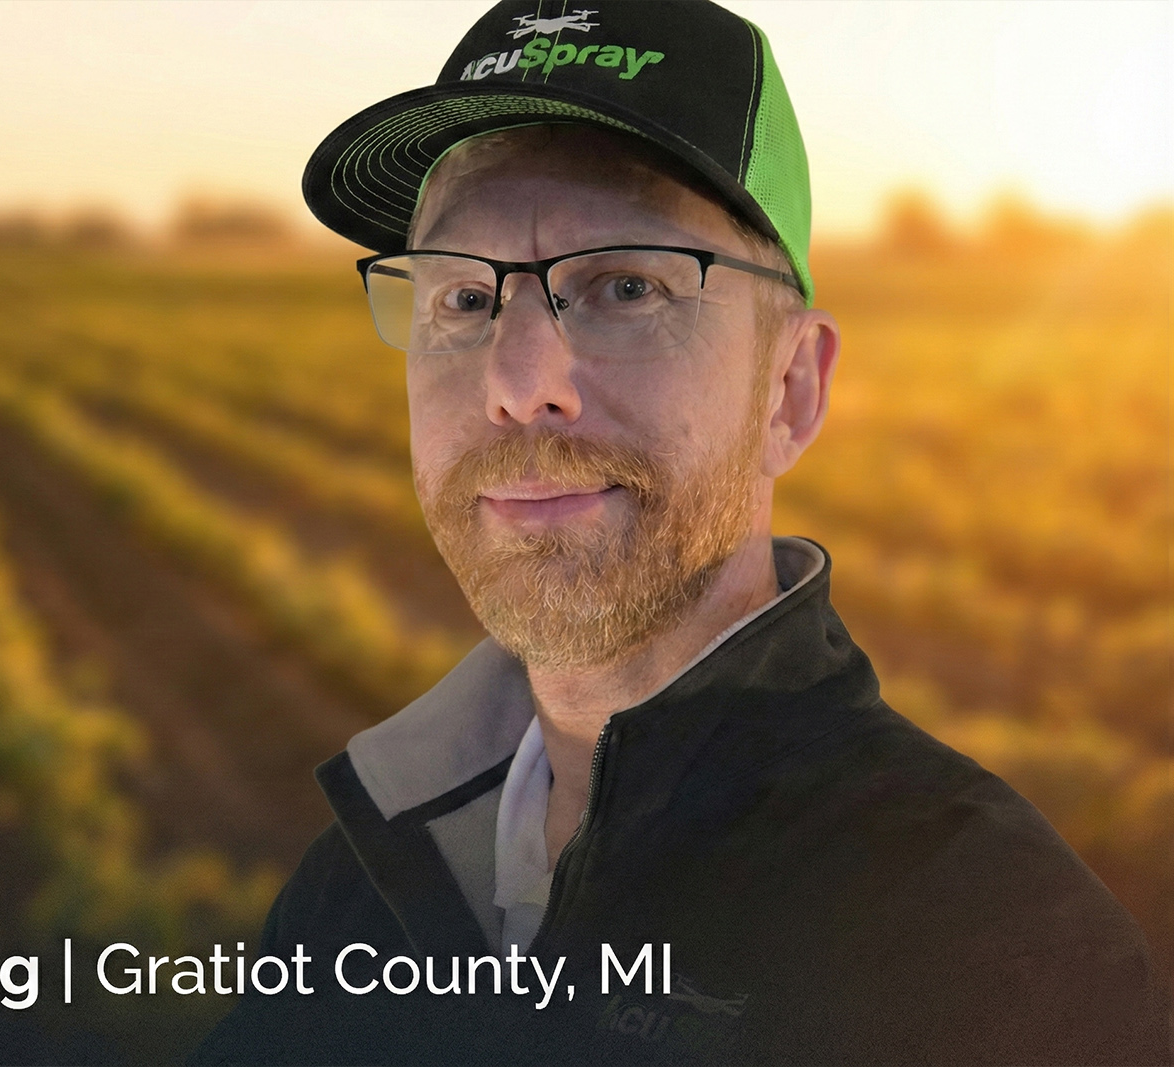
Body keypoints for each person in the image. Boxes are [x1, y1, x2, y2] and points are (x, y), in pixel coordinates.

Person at [194, 2, 1170, 1063]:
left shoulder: (986, 949)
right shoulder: (361, 879)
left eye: (626, 287)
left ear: (789, 390)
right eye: (464, 300)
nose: (518, 383)